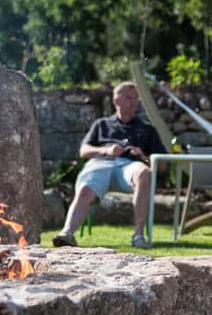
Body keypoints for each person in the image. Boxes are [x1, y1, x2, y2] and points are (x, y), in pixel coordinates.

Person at [53, 81, 167, 249]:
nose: (134, 101)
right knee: (85, 188)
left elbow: (162, 165)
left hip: (129, 167)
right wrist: (106, 151)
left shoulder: (147, 129)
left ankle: (138, 236)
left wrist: (143, 156)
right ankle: (67, 233)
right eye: (129, 97)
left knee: (143, 172)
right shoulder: (102, 125)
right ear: (116, 101)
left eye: (136, 98)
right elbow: (83, 151)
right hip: (101, 163)